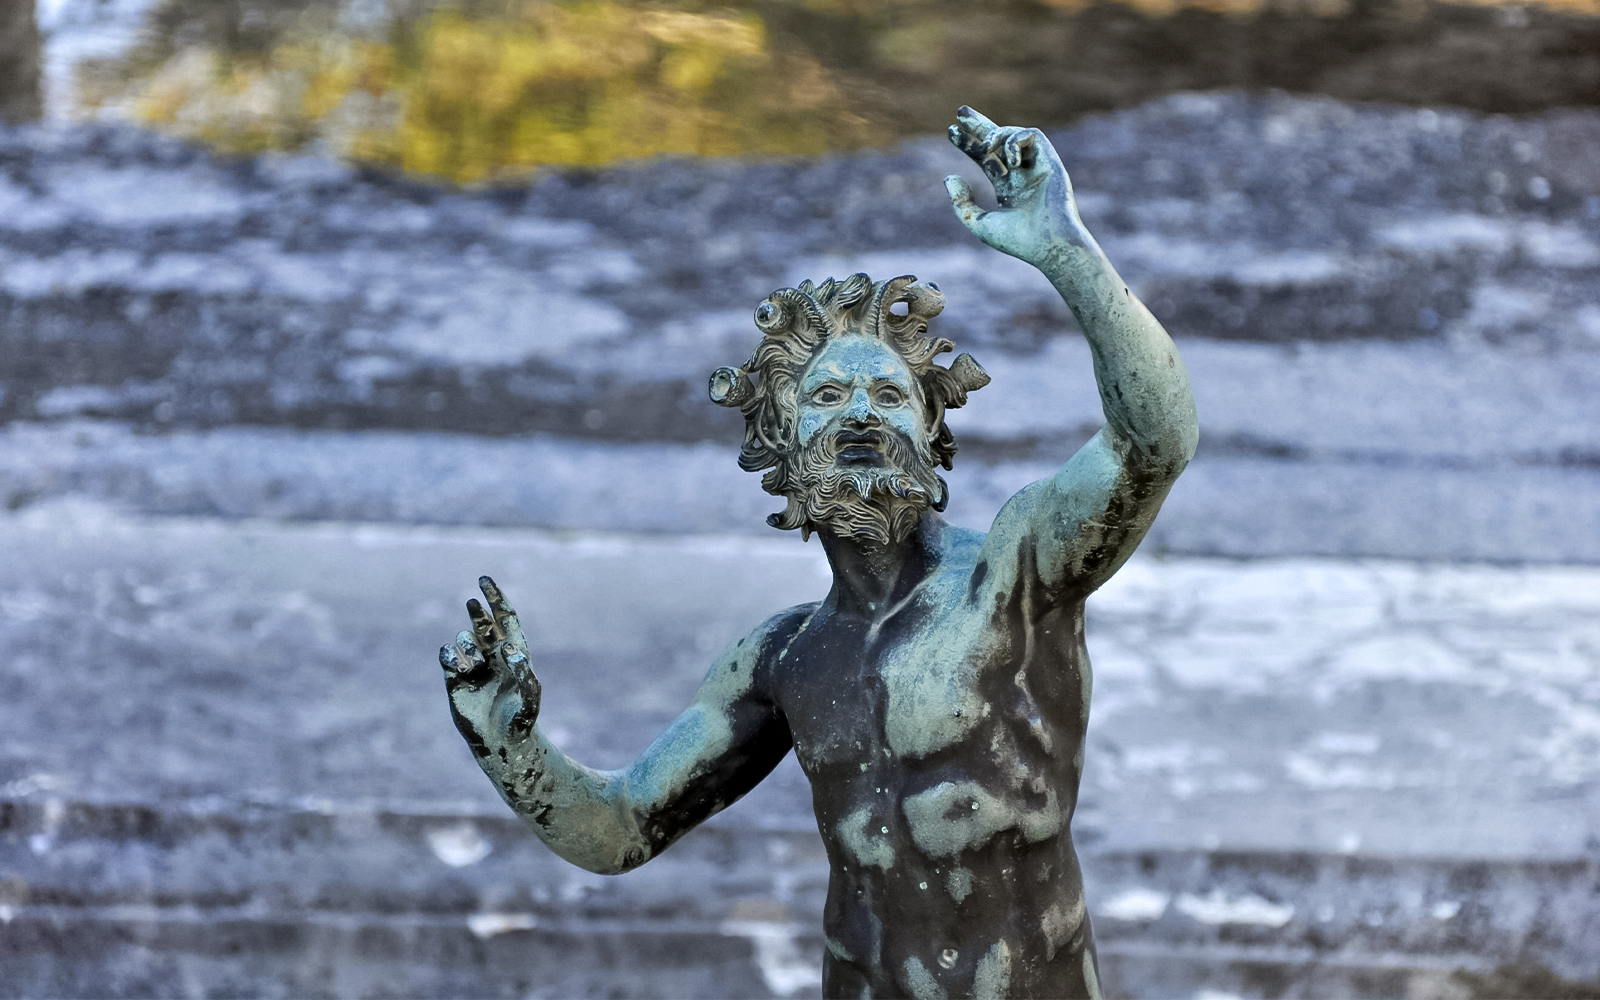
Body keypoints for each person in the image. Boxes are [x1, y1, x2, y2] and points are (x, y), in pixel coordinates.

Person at [440, 106, 1198, 999]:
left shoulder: (1013, 576)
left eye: (890, 394)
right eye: (828, 396)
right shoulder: (780, 660)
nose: (862, 413)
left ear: (931, 430)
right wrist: (507, 742)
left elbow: (1154, 442)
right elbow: (616, 830)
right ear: (780, 439)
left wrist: (1066, 250)